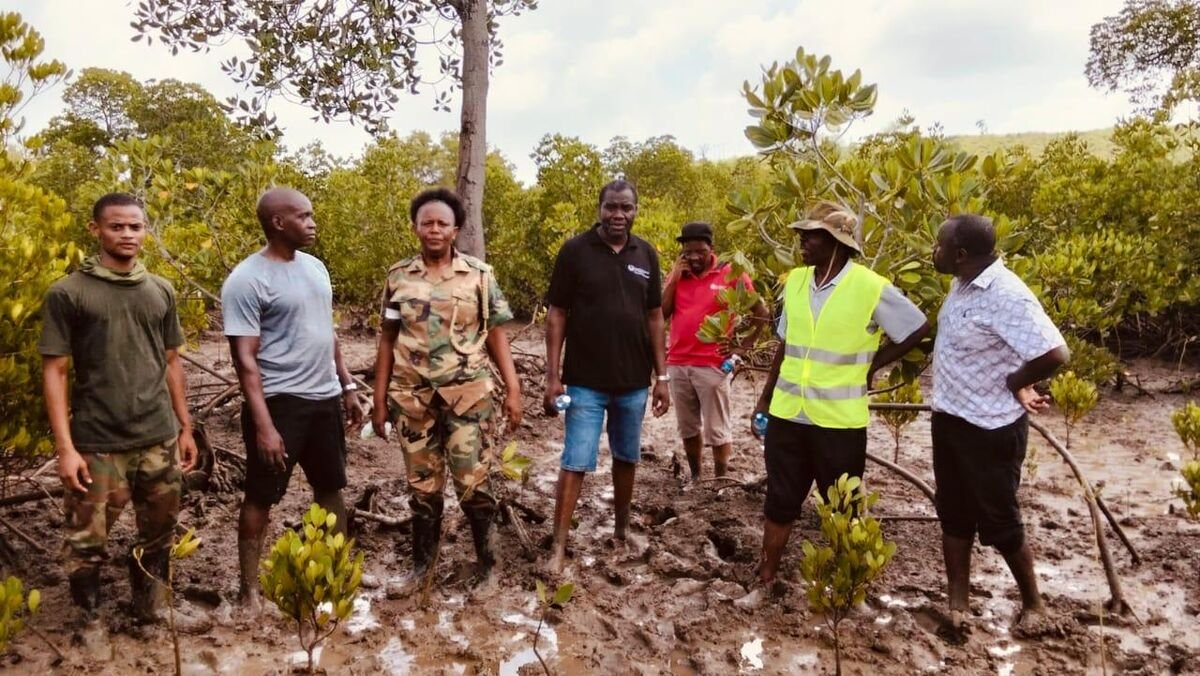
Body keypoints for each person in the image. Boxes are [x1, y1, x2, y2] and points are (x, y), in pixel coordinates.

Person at [747, 201, 929, 600]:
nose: (802, 242)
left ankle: (845, 590)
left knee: (843, 510)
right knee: (779, 502)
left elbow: (916, 327)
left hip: (840, 423)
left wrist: (874, 365)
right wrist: (764, 400)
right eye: (802, 235)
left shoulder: (870, 286)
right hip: (788, 416)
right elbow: (785, 344)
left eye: (810, 235)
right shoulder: (794, 281)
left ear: (837, 242)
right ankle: (764, 582)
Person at [40, 192, 199, 626]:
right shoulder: (68, 293)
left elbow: (171, 362)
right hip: (98, 442)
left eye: (135, 226)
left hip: (158, 438)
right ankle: (89, 623)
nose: (127, 234)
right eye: (117, 226)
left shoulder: (160, 290)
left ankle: (152, 608)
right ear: (96, 230)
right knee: (86, 540)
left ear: (145, 230)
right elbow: (54, 371)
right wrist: (65, 448)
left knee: (160, 532)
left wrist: (185, 428)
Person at [222, 187, 364, 614]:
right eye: (303, 216)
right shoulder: (247, 280)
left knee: (331, 488)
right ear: (277, 223)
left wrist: (347, 386)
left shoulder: (316, 268)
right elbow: (244, 360)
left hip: (324, 399)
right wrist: (264, 425)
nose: (312, 223)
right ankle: (249, 591)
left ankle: (335, 575)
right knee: (261, 496)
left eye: (312, 215)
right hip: (280, 402)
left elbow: (328, 332)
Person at [372, 188, 522, 588]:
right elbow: (387, 338)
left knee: (473, 483)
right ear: (416, 228)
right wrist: (379, 400)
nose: (434, 230)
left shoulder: (479, 275)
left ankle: (489, 569)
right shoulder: (398, 277)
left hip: (467, 396)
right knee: (422, 487)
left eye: (442, 223)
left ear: (455, 229)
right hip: (413, 398)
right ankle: (422, 570)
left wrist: (513, 389)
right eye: (427, 223)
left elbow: (495, 335)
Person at [930, 213, 1069, 632]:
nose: (931, 253)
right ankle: (958, 606)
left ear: (960, 254)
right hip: (950, 417)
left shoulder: (1008, 295)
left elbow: (1055, 353)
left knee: (1001, 519)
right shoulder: (963, 283)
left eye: (937, 247)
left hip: (990, 429)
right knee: (953, 514)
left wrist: (1017, 381)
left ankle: (1034, 606)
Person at [543, 179, 670, 573]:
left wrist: (662, 377)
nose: (619, 215)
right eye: (611, 207)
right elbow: (557, 313)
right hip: (584, 382)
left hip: (633, 382)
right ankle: (558, 548)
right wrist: (552, 376)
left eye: (626, 208)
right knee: (575, 460)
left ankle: (621, 530)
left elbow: (655, 317)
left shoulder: (645, 254)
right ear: (599, 208)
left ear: (636, 210)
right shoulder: (575, 252)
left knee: (626, 457)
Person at [662, 221, 768, 481]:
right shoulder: (678, 274)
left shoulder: (731, 273)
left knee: (718, 430)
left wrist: (741, 348)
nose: (694, 258)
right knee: (688, 428)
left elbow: (762, 314)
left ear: (712, 248)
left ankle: (720, 480)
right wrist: (675, 277)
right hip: (677, 362)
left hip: (713, 363)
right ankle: (697, 477)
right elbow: (661, 313)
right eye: (688, 252)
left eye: (700, 251)